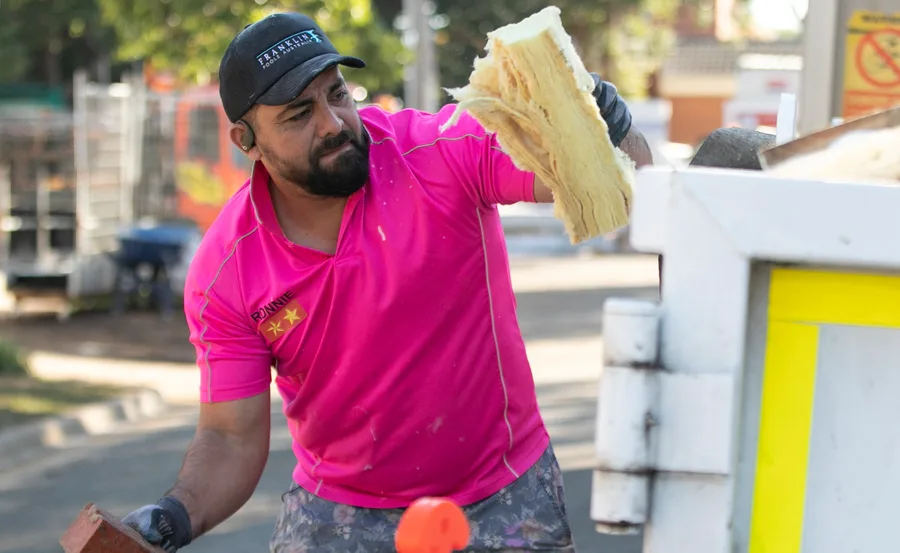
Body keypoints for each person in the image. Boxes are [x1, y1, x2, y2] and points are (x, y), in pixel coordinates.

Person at [121, 11, 653, 553]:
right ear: (246, 140)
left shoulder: (438, 150)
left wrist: (597, 112)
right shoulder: (226, 273)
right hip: (341, 514)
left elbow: (625, 179)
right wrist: (171, 517)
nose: (331, 123)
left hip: (503, 491)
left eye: (337, 94)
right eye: (299, 114)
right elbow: (231, 437)